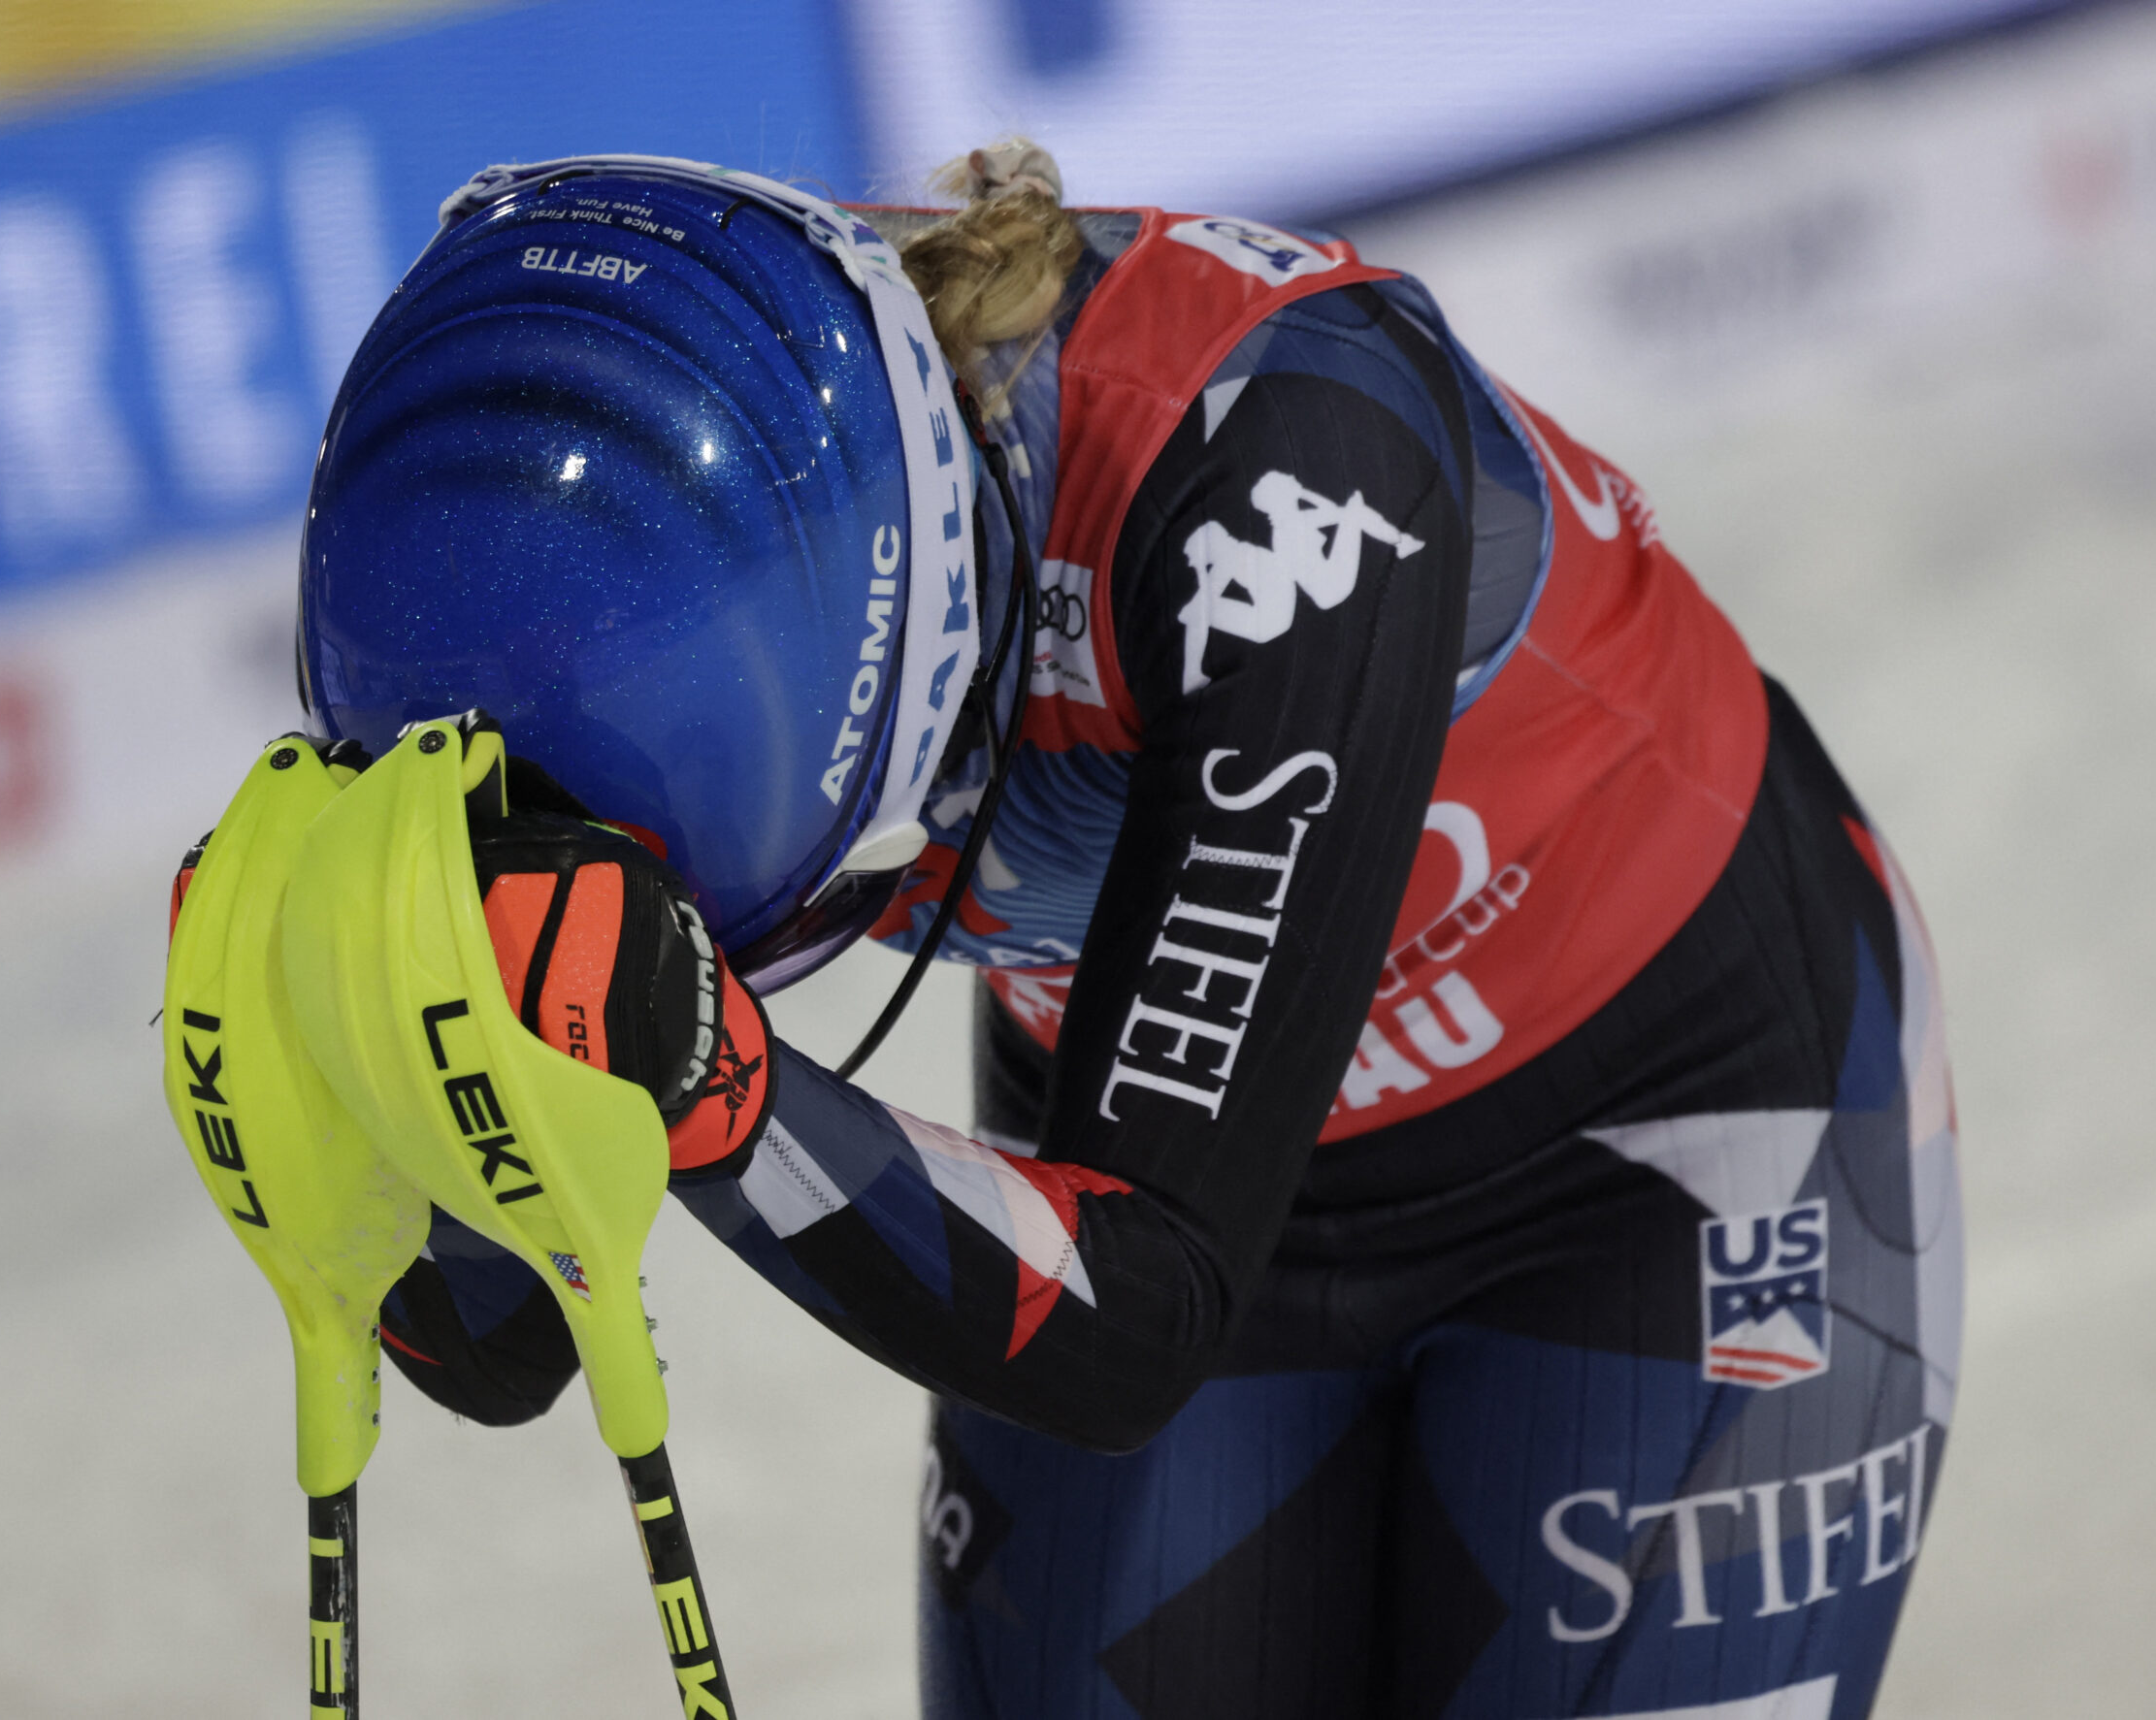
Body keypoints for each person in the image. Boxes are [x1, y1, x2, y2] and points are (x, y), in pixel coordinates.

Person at [286, 142, 1963, 1719]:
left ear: (908, 630)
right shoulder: (579, 641)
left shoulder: (1284, 474)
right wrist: (349, 1050)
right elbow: (497, 1350)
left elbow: (1137, 1312)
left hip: (1662, 1139)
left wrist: (717, 1090)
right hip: (1142, 1151)